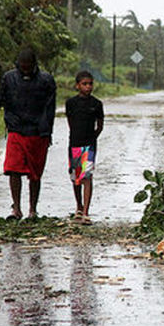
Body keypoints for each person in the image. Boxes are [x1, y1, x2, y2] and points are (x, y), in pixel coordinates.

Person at [0, 48, 56, 219]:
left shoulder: (46, 81)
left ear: (35, 65)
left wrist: (47, 131)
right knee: (13, 169)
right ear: (18, 65)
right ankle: (16, 208)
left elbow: (50, 109)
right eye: (23, 67)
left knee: (35, 174)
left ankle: (32, 210)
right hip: (16, 130)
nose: (25, 70)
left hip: (37, 133)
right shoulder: (9, 78)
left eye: (28, 67)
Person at [65, 70, 104, 224]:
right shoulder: (71, 103)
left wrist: (92, 138)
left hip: (90, 146)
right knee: (76, 177)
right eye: (84, 84)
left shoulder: (96, 104)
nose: (88, 87)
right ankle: (79, 206)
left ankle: (86, 212)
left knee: (87, 176)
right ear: (77, 85)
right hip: (74, 144)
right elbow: (70, 122)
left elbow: (100, 125)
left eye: (90, 84)